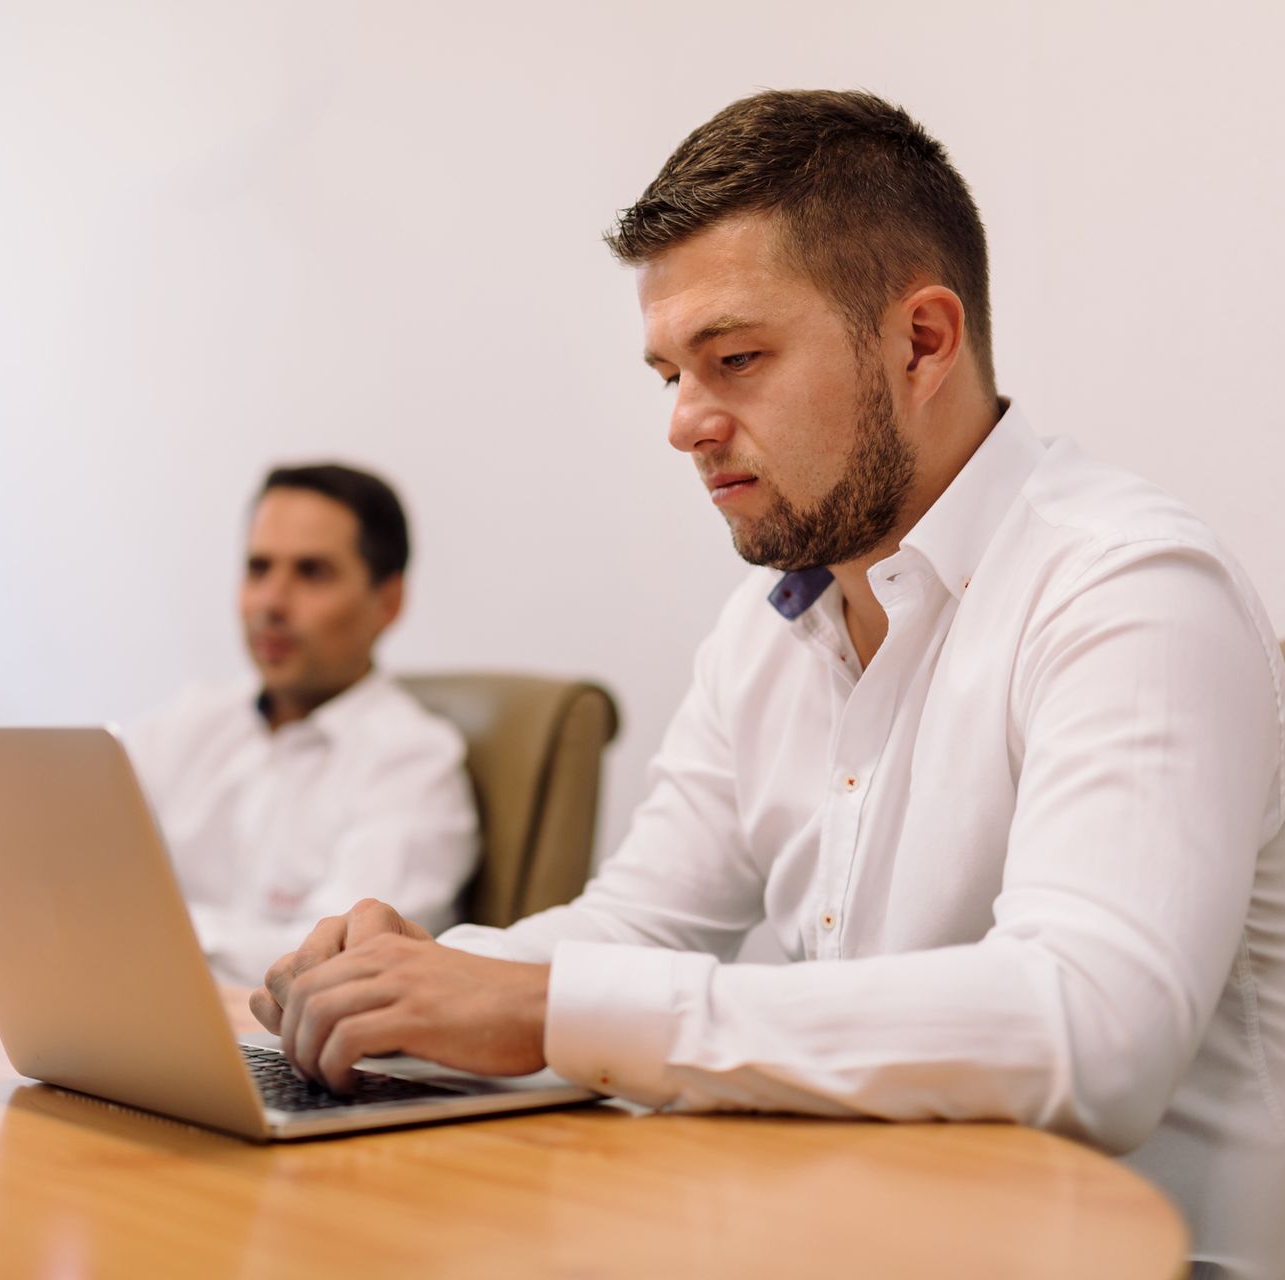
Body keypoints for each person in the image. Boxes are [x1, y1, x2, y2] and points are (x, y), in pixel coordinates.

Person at [250, 91, 1284, 1278]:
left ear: (923, 340)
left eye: (734, 359)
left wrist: (543, 1007)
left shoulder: (1130, 586)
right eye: (668, 373)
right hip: (861, 1231)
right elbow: (636, 924)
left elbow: (1090, 1032)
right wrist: (424, 979)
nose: (686, 423)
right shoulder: (770, 622)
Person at [0, 462, 479, 986]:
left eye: (310, 573)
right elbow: (28, 842)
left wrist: (88, 925)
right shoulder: (197, 722)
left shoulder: (414, 761)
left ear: (389, 601)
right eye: (258, 569)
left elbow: (339, 961)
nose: (269, 602)